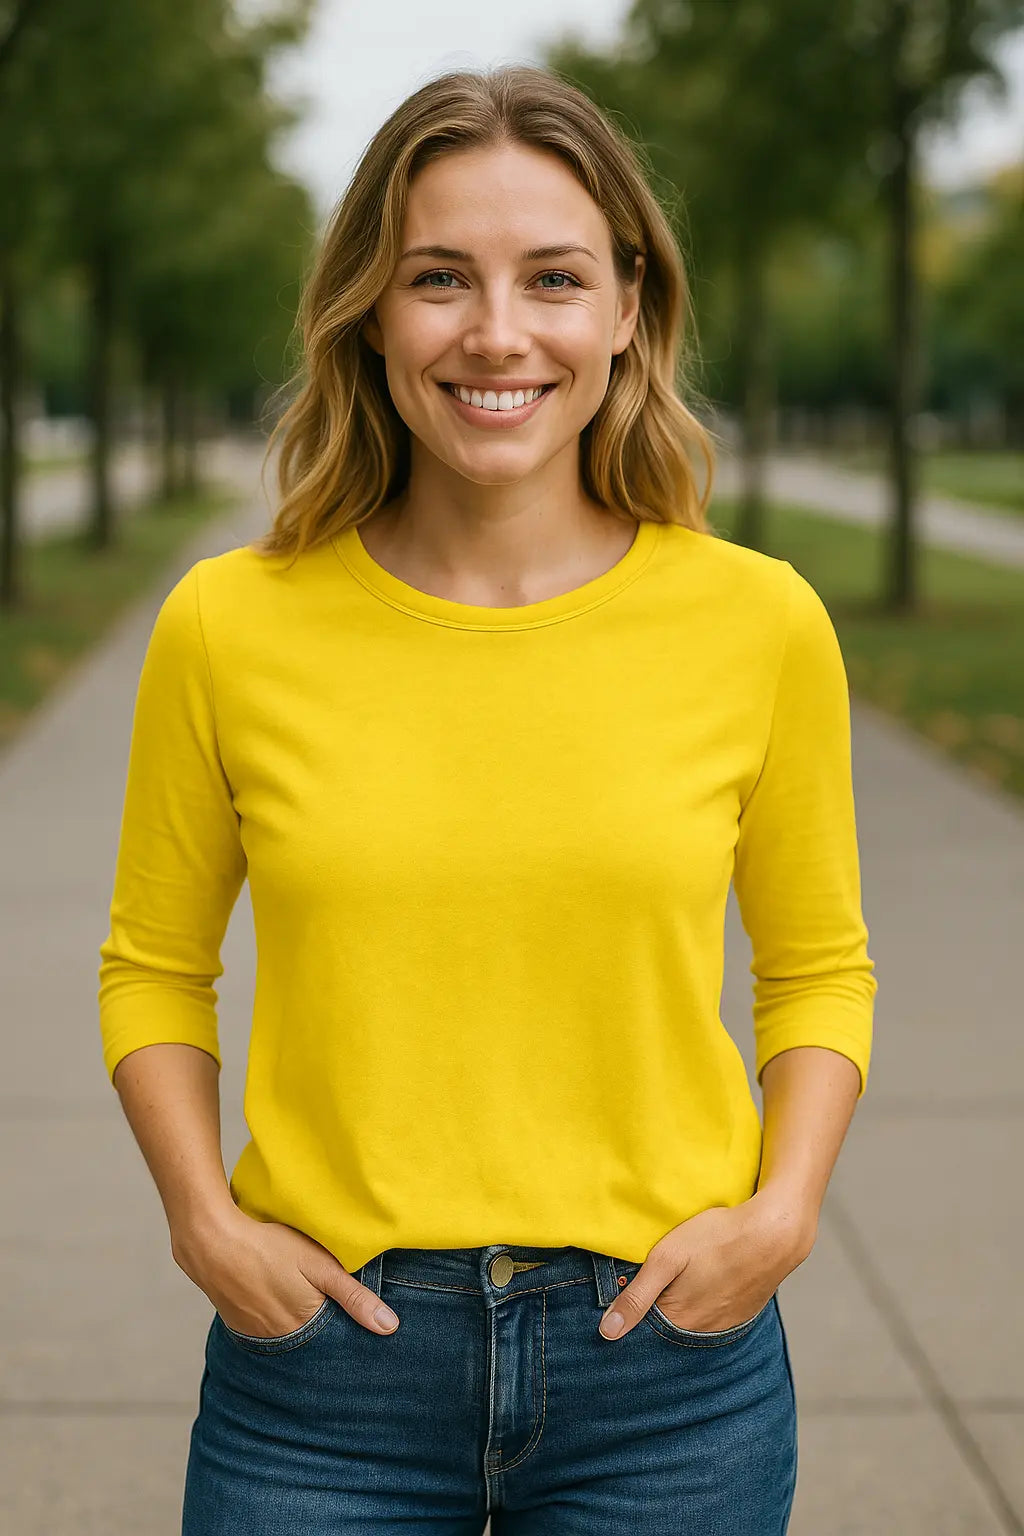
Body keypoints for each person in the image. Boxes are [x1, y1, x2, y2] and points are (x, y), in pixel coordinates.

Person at [97, 64, 876, 1536]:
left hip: (666, 1373)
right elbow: (153, 969)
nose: (497, 333)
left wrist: (781, 1217)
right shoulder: (227, 626)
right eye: (439, 278)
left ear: (629, 308)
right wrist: (207, 1224)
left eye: (556, 278)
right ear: (372, 313)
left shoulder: (759, 624)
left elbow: (820, 970)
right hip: (320, 1380)